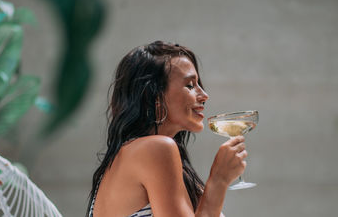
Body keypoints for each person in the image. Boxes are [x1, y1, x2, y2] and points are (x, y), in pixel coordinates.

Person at [87, 41, 248, 217]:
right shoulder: (156, 149)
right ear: (155, 95)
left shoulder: (128, 155)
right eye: (190, 85)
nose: (204, 95)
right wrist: (219, 179)